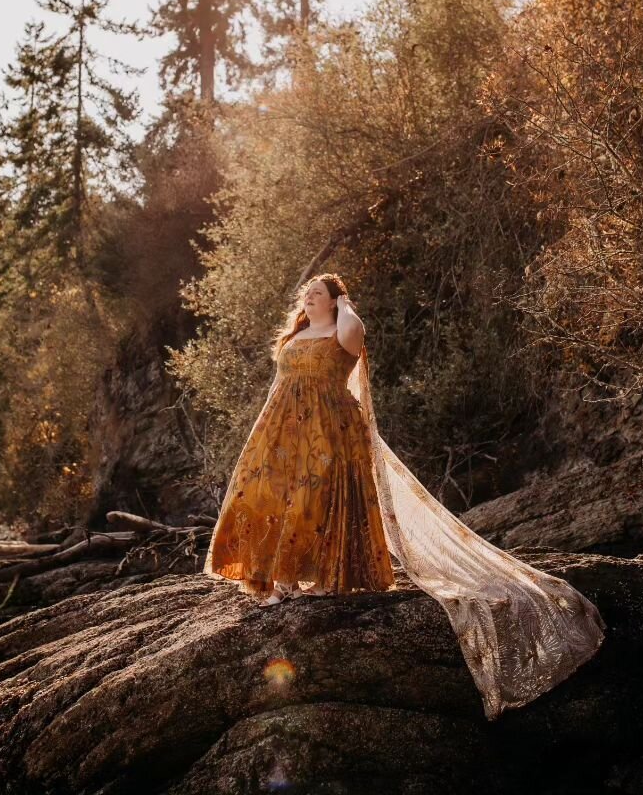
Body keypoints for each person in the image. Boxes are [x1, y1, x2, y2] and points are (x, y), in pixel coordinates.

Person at [204, 273, 607, 719]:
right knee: (262, 497)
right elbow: (280, 381)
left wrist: (346, 303)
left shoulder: (344, 328)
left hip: (329, 430)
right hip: (283, 427)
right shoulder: (297, 332)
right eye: (308, 293)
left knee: (313, 505)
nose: (309, 297)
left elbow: (354, 342)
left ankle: (311, 580)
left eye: (319, 293)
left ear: (335, 301)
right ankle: (277, 579)